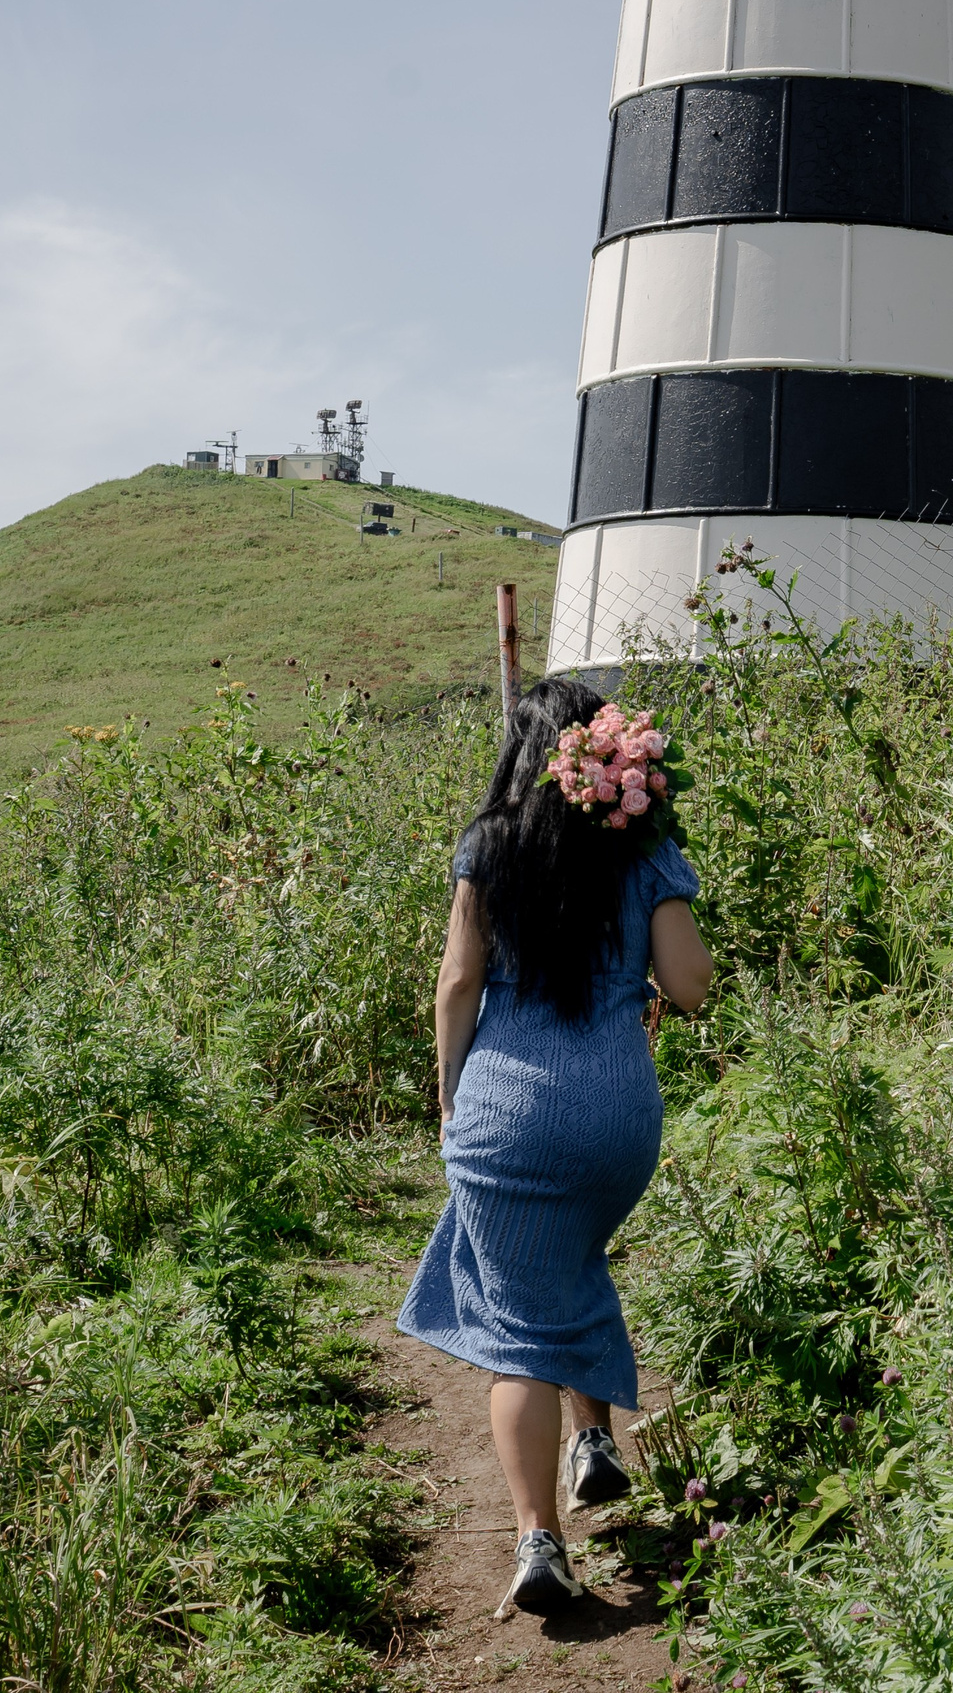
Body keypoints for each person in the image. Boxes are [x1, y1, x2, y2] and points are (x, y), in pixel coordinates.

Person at [397, 678, 713, 1616]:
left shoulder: (489, 845)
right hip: (615, 1116)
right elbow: (691, 984)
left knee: (516, 1327)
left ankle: (539, 1542)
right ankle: (595, 1442)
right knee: (570, 1255)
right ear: (609, 756)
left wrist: (450, 1094)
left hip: (508, 1112)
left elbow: (459, 982)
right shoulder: (642, 845)